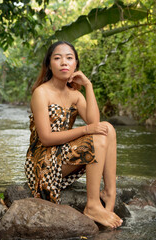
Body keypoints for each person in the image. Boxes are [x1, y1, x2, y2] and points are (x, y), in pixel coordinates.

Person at [25, 41, 122, 228]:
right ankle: (92, 205)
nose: (64, 62)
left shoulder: (75, 95)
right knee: (96, 137)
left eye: (69, 58)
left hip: (64, 157)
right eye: (57, 58)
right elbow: (45, 138)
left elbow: (96, 124)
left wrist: (88, 86)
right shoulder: (41, 93)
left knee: (108, 128)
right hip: (43, 163)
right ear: (49, 64)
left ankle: (109, 193)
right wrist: (86, 130)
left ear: (75, 64)